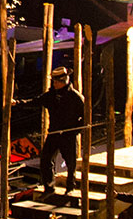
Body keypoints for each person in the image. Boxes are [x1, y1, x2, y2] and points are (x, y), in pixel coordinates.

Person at [19, 65, 86, 198]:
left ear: (64, 81)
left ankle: (70, 187)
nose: (54, 84)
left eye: (57, 82)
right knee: (45, 160)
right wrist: (18, 103)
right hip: (54, 133)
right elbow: (36, 101)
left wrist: (74, 131)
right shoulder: (51, 95)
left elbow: (85, 117)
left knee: (70, 162)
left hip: (68, 134)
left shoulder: (76, 97)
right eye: (54, 81)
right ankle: (49, 188)